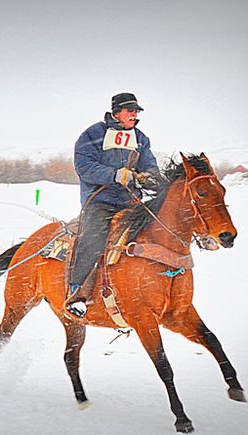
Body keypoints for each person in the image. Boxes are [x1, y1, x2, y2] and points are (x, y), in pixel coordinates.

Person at [66, 93, 160, 318]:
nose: (135, 115)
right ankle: (77, 292)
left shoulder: (140, 138)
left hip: (131, 202)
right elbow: (84, 167)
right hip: (100, 202)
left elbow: (150, 165)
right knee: (94, 238)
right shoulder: (92, 135)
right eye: (130, 110)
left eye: (137, 111)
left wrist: (149, 177)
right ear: (116, 112)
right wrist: (115, 174)